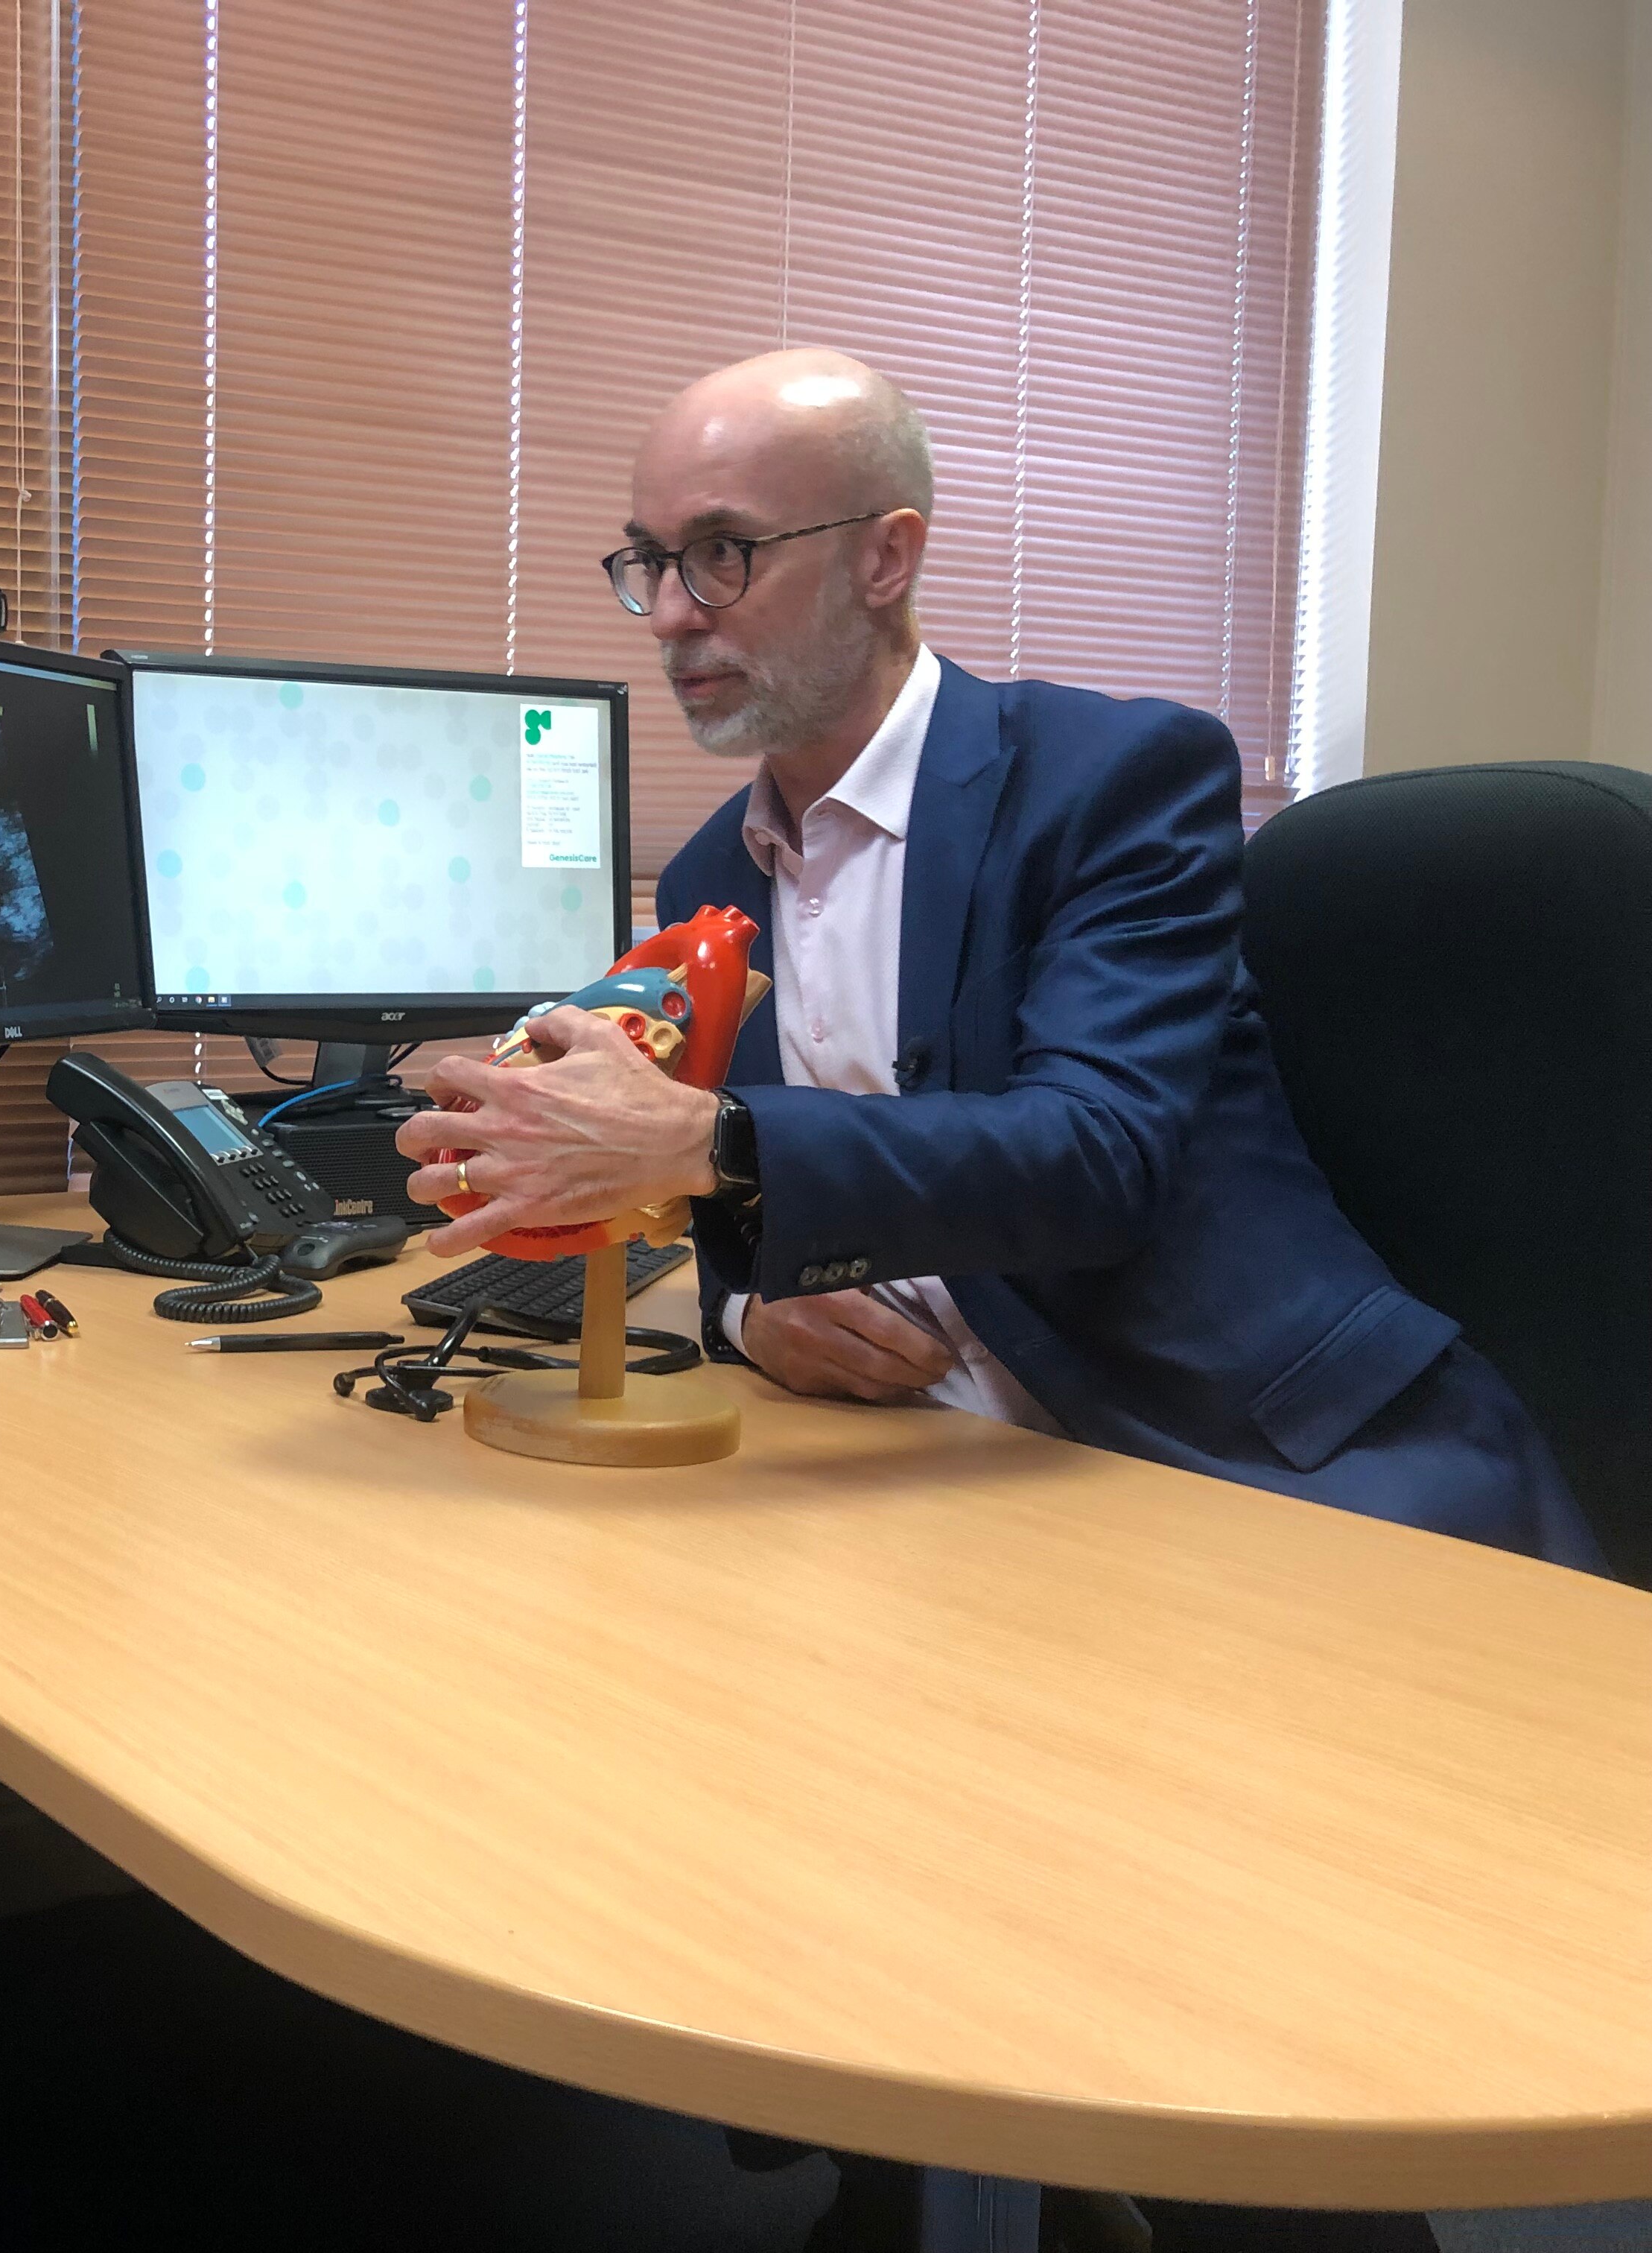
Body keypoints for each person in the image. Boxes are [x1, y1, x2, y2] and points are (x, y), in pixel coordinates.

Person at [400, 346, 1598, 1574]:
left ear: (885, 558)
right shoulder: (716, 873)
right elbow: (741, 1222)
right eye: (650, 561)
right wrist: (751, 1311)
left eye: (723, 552)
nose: (669, 614)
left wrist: (713, 1140)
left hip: (1257, 1460)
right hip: (939, 1479)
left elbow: (1099, 1155)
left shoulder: (1114, 780)